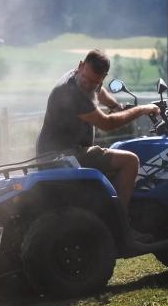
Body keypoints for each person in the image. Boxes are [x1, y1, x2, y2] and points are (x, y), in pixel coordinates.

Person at [36, 49, 159, 208]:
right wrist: (142, 109)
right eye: (86, 79)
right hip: (64, 156)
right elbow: (107, 124)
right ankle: (121, 223)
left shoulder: (80, 77)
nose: (88, 84)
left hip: (57, 153)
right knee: (130, 161)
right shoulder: (73, 93)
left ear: (102, 78)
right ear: (81, 65)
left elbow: (98, 91)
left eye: (94, 81)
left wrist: (114, 105)